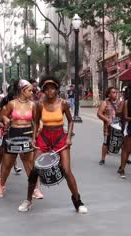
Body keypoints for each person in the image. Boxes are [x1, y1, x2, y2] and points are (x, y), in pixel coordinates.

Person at [18, 76, 87, 213]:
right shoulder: (39, 104)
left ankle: (78, 201)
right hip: (44, 137)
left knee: (67, 171)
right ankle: (28, 200)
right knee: (34, 170)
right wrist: (33, 138)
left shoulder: (63, 103)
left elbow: (71, 121)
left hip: (60, 137)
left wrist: (68, 138)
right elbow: (36, 122)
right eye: (47, 89)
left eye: (52, 88)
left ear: (56, 89)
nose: (50, 91)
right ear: (43, 90)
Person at [0, 80, 43, 199]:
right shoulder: (12, 104)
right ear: (22, 90)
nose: (32, 92)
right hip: (13, 134)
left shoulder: (33, 105)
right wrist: (6, 120)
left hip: (27, 133)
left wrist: (34, 137)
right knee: (7, 163)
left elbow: (36, 122)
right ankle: (1, 186)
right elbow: (1, 118)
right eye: (30, 90)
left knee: (29, 163)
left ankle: (35, 189)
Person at [97, 87, 121, 165]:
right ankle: (103, 159)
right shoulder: (105, 103)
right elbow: (99, 113)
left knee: (122, 142)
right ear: (109, 94)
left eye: (116, 92)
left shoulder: (119, 102)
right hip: (108, 126)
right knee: (105, 142)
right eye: (113, 92)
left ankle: (125, 159)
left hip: (118, 126)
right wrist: (107, 120)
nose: (115, 94)